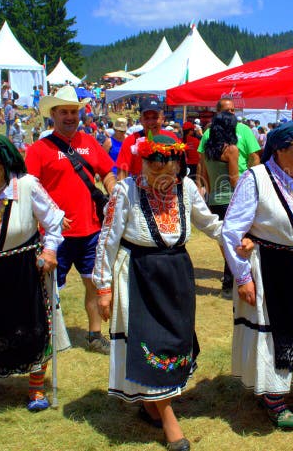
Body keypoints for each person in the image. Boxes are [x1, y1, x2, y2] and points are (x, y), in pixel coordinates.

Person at [94, 134, 225, 451]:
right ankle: (170, 422)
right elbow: (107, 239)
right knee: (149, 342)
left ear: (178, 162)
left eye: (168, 160)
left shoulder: (187, 189)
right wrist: (103, 286)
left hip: (176, 273)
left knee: (173, 341)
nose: (160, 166)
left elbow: (210, 224)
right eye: (153, 160)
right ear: (143, 160)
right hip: (138, 272)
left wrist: (243, 235)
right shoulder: (126, 191)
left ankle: (151, 403)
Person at [221, 121, 293, 429]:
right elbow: (231, 230)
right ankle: (273, 395)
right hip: (272, 266)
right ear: (279, 150)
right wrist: (243, 277)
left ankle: (286, 386)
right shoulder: (256, 178)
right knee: (274, 331)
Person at [0, 130, 69, 412]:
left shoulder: (27, 185)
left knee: (31, 324)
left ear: (2, 161)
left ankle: (35, 388)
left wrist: (50, 250)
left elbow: (54, 220)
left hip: (23, 267)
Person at [25, 85, 117, 354]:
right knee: (48, 289)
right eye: (63, 111)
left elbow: (107, 172)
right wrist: (52, 217)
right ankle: (46, 335)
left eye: (73, 111)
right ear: (53, 114)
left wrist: (112, 189)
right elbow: (30, 188)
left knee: (93, 284)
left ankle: (94, 335)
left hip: (91, 230)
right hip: (55, 234)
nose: (69, 116)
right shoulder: (39, 149)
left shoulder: (89, 142)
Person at [202, 112, 240, 298]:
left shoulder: (208, 149)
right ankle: (230, 282)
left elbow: (206, 177)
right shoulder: (231, 149)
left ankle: (228, 281)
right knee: (234, 242)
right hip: (230, 200)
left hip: (214, 200)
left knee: (224, 242)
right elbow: (234, 180)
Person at [196, 98, 260, 188]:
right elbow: (202, 162)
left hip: (241, 185)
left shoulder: (245, 130)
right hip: (216, 188)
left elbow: (254, 157)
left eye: (233, 110)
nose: (231, 112)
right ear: (218, 112)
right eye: (227, 110)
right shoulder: (209, 133)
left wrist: (250, 181)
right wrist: (200, 186)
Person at [115, 98, 178, 179]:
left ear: (163, 119)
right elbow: (122, 174)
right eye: (146, 118)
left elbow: (178, 167)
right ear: (140, 120)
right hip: (139, 189)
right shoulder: (131, 141)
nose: (151, 122)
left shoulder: (171, 139)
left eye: (155, 117)